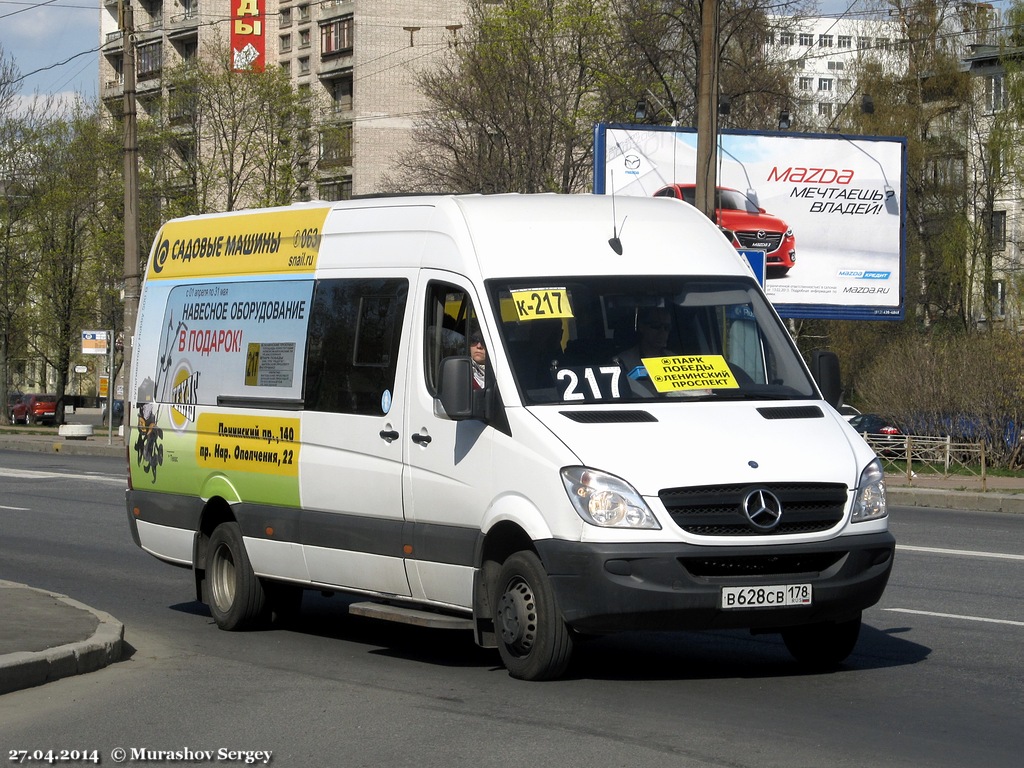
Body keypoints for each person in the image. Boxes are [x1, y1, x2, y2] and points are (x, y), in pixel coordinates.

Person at [614, 306, 674, 394]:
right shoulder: (622, 362)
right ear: (642, 327)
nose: (662, 332)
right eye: (656, 326)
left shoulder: (675, 360)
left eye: (667, 327)